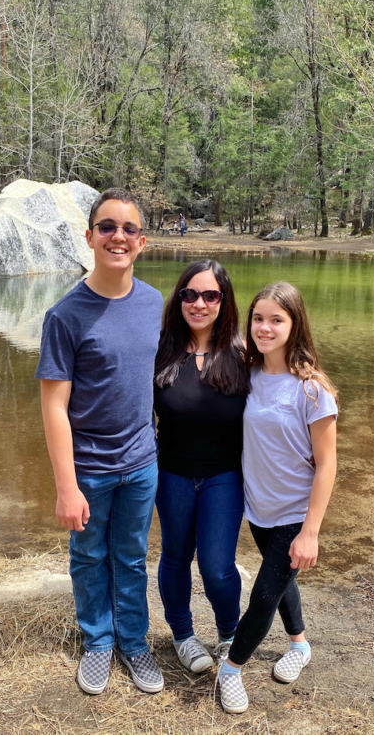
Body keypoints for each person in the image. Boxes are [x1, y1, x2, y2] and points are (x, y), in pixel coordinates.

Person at [36, 188, 164, 696]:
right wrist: (67, 487)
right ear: (89, 237)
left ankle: (133, 643)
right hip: (87, 466)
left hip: (140, 462)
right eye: (107, 227)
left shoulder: (154, 302)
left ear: (142, 241)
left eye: (128, 229)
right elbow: (53, 407)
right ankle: (97, 642)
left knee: (131, 557)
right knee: (89, 557)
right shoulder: (65, 315)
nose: (118, 237)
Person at [217, 281, 338, 715]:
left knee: (265, 594)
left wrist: (310, 532)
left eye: (276, 319)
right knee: (281, 583)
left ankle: (231, 669)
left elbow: (327, 465)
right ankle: (299, 645)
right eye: (258, 319)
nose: (265, 328)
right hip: (259, 509)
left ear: (295, 323)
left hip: (294, 513)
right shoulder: (247, 374)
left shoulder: (311, 389)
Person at [153, 260, 249, 675]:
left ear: (223, 301)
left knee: (216, 566)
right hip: (171, 472)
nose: (198, 303)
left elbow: (284, 387)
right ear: (179, 299)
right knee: (175, 556)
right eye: (189, 294)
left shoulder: (245, 353)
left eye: (210, 295)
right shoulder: (160, 349)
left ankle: (230, 633)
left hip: (223, 475)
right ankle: (183, 635)